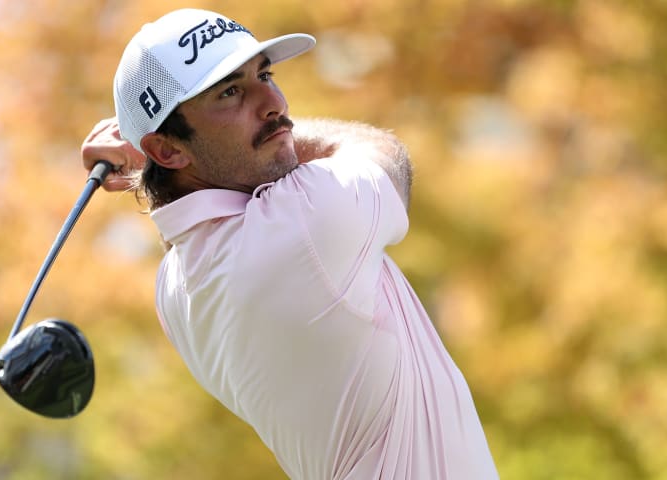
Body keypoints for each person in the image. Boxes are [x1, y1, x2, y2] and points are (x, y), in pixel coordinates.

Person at [81, 8, 498, 480]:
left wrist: (150, 162)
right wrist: (146, 155)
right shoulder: (306, 222)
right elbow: (385, 153)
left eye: (265, 74)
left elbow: (183, 213)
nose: (274, 102)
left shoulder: (173, 288)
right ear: (170, 149)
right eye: (231, 92)